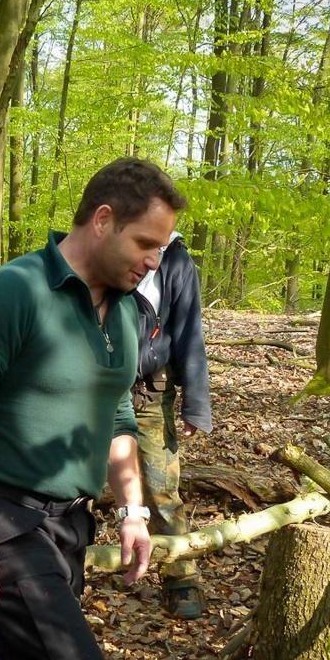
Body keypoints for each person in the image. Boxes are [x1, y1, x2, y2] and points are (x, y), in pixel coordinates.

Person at [0, 157, 188, 660]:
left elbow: (118, 413)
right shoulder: (15, 291)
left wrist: (132, 511)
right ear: (102, 220)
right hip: (3, 519)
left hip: (69, 525)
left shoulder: (124, 312)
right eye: (145, 243)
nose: (155, 261)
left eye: (162, 248)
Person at [132, 232, 212, 618]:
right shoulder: (114, 249)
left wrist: (196, 404)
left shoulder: (177, 263)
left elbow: (188, 332)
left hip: (150, 392)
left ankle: (180, 577)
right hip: (94, 388)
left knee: (161, 486)